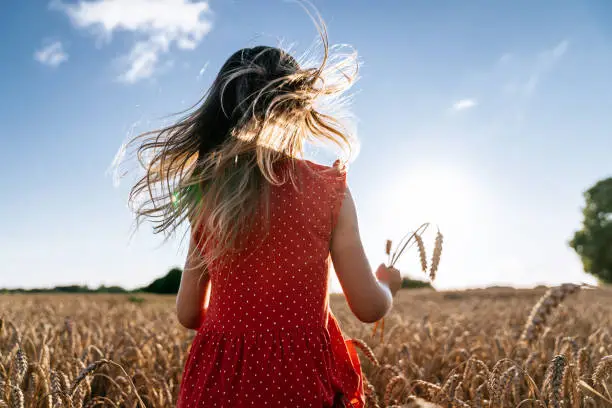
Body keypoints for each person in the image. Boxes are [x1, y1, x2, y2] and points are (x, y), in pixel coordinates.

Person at [127, 32, 402, 408]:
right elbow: (368, 307)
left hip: (216, 384)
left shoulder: (206, 195)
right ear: (299, 109)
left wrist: (239, 326)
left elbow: (188, 313)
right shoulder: (328, 187)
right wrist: (387, 286)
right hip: (299, 383)